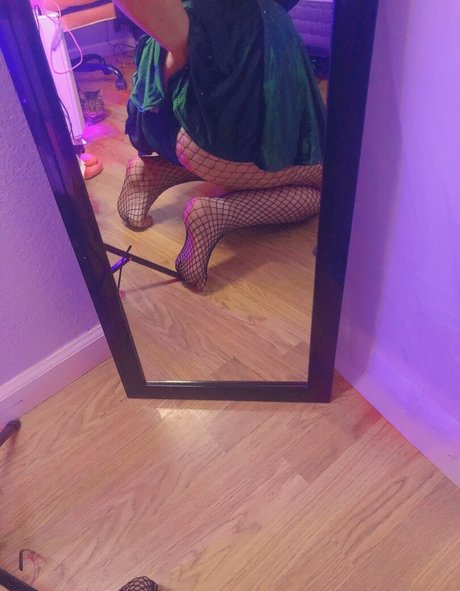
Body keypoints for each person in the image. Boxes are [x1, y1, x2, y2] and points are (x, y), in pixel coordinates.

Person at [114, 0, 325, 290]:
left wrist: (179, 48)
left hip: (176, 117)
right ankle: (218, 214)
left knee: (242, 164)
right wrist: (186, 47)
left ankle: (151, 174)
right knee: (322, 188)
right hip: (220, 119)